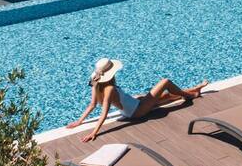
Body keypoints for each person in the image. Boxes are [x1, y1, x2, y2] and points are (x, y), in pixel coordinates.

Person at [66, 58, 208, 142]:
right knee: (165, 82)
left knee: (164, 96)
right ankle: (191, 95)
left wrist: (79, 121)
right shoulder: (109, 89)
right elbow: (104, 112)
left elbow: (92, 105)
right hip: (137, 111)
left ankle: (194, 90)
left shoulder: (96, 84)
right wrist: (94, 133)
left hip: (133, 106)